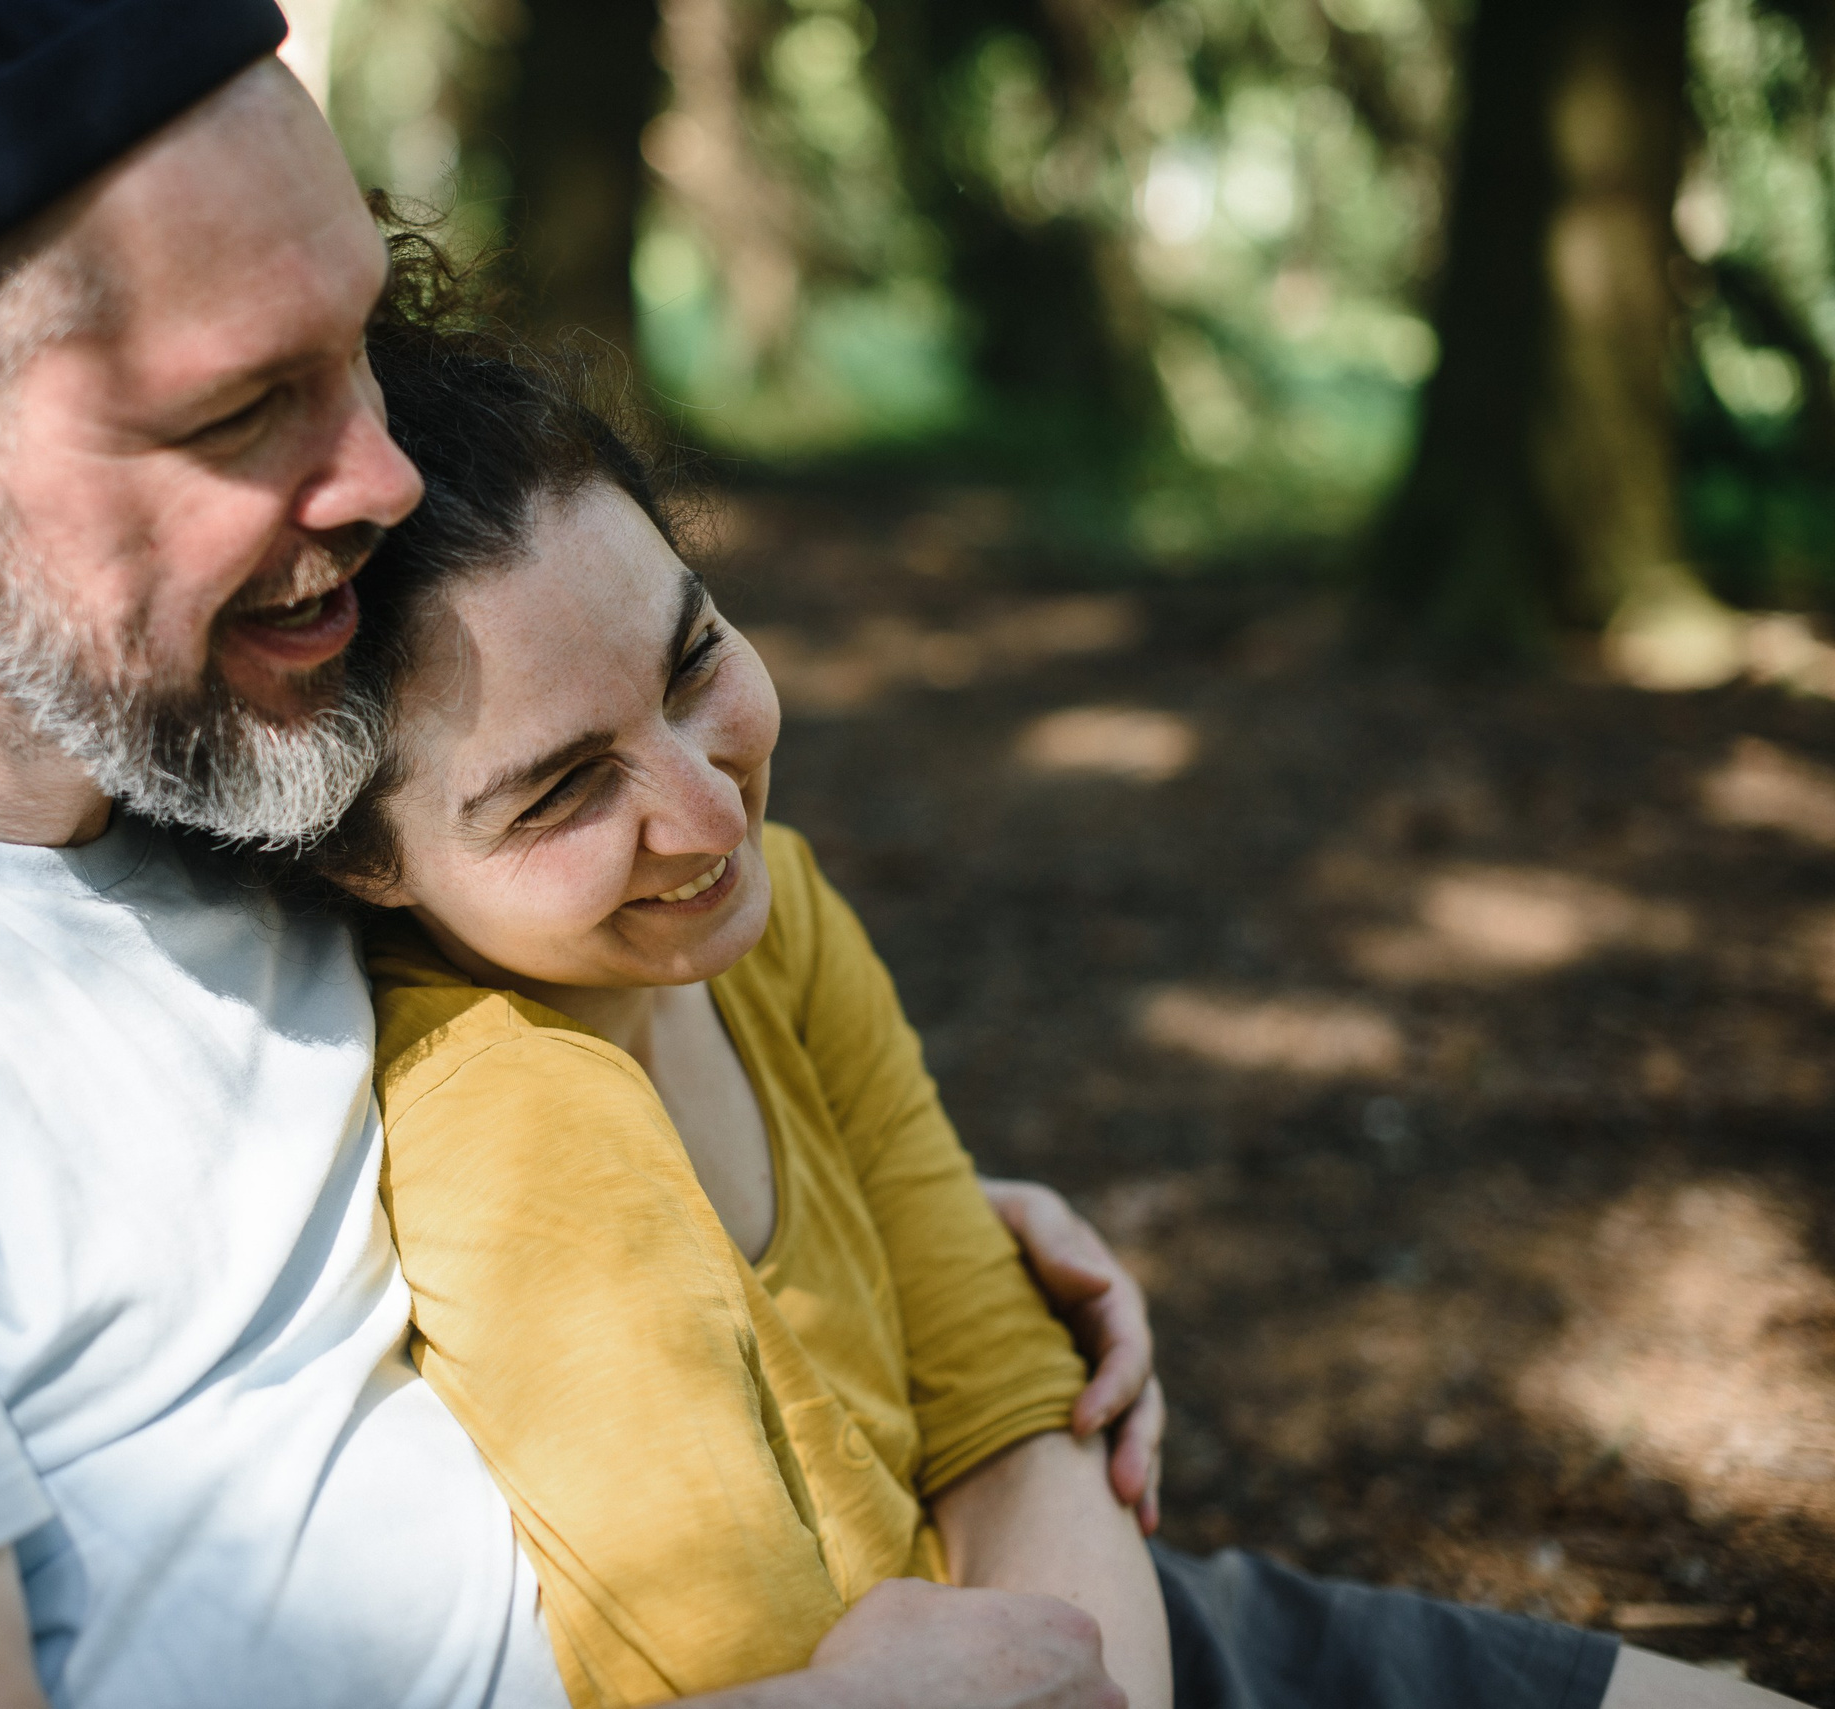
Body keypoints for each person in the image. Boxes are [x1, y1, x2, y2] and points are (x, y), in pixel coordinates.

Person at [0, 4, 1150, 1706]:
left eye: (356, 350)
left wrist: (915, 1272)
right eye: (244, 408)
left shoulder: (231, 763)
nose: (383, 478)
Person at [262, 306, 1802, 1709]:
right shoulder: (515, 1136)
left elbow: (1008, 1407)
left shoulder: (770, 915)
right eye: (561, 791)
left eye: (694, 661)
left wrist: (1064, 1564)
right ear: (371, 858)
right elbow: (764, 1656)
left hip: (1116, 1636)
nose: (710, 812)